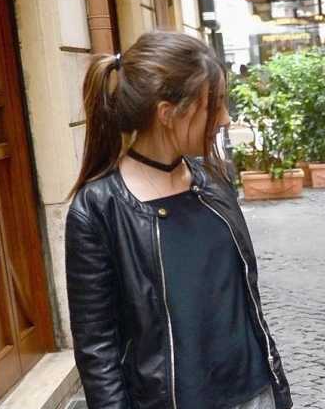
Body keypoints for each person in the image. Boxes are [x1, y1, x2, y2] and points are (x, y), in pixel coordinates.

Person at [65, 32, 292, 409]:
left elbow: (244, 301)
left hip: (254, 393)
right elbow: (97, 348)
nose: (224, 118)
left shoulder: (214, 181)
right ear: (169, 114)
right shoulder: (98, 209)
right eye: (213, 106)